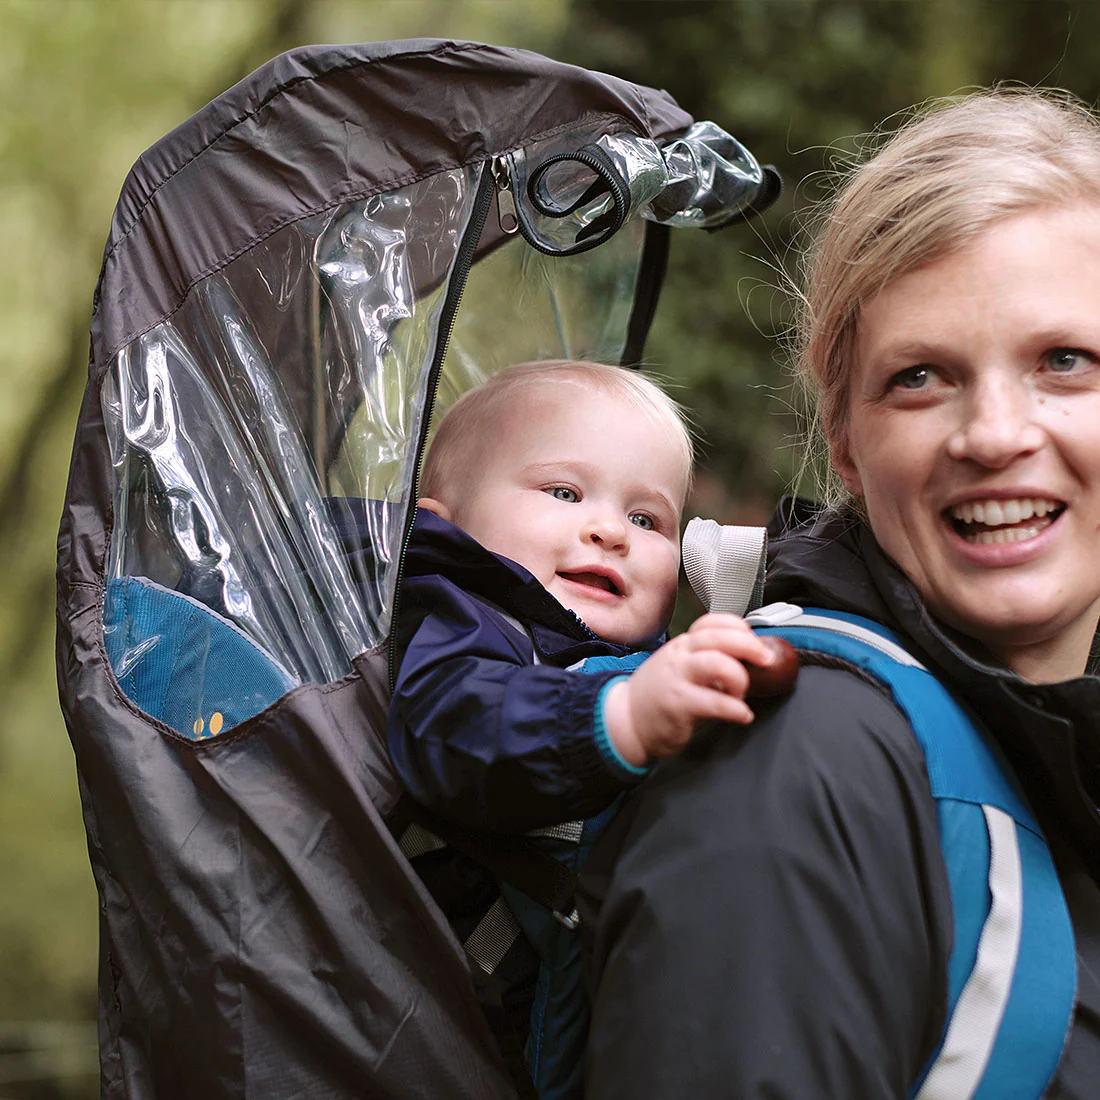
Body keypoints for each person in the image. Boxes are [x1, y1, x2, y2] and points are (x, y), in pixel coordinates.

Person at [581, 90, 1100, 1099]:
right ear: (846, 438)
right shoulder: (791, 766)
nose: (992, 434)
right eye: (918, 377)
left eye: (1063, 361)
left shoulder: (1051, 739)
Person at [388, 359, 777, 832]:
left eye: (644, 520)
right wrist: (625, 718)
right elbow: (449, 725)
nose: (613, 532)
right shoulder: (459, 618)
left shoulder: (653, 657)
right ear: (449, 525)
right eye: (565, 493)